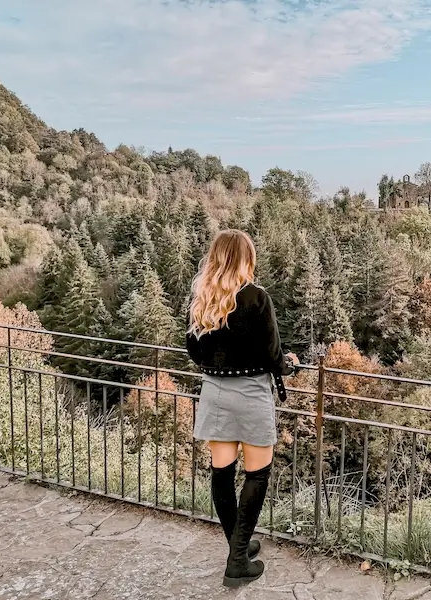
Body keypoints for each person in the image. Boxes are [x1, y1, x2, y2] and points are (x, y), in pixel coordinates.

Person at [186, 229, 297, 588]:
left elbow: (194, 351)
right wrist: (289, 364)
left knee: (222, 472)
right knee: (257, 474)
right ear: (246, 258)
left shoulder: (203, 298)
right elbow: (271, 354)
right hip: (250, 394)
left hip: (215, 393)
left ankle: (239, 545)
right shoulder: (256, 298)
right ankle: (236, 561)